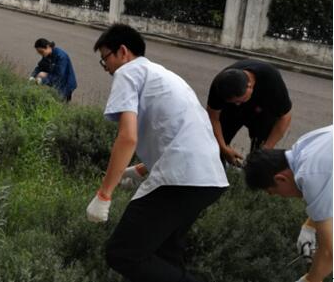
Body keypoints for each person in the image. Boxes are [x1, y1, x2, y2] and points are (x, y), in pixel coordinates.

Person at [86, 24, 228, 282]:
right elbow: (178, 134)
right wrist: (139, 170)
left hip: (180, 179)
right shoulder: (164, 75)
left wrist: (104, 194)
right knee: (163, 255)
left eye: (105, 58)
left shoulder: (128, 72)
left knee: (123, 253)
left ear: (123, 51)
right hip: (209, 179)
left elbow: (127, 137)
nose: (105, 67)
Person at [244, 125, 332, 282]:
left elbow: (329, 253)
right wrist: (309, 226)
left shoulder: (309, 177)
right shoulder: (304, 146)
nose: (283, 197)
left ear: (280, 179)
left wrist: (310, 280)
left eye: (274, 192)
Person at [206, 59, 292, 166]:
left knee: (260, 154)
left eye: (239, 101)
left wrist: (266, 149)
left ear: (250, 86)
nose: (237, 104)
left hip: (262, 113)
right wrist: (223, 147)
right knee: (215, 146)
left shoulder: (271, 79)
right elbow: (213, 117)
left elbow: (285, 117)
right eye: (233, 102)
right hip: (231, 113)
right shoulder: (219, 85)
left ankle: (254, 169)